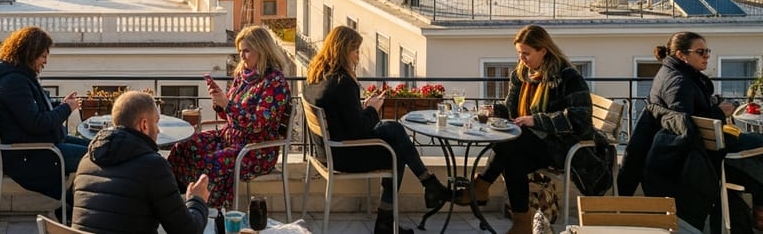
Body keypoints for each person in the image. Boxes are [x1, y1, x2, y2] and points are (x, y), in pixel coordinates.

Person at [302, 26, 450, 234]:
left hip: (325, 152)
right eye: (356, 51)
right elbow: (358, 130)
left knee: (392, 129)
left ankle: (426, 187)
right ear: (344, 50)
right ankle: (394, 215)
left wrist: (362, 109)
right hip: (344, 154)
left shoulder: (314, 77)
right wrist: (373, 109)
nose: (358, 56)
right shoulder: (343, 82)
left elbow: (342, 118)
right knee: (395, 149)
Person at [620, 32, 763, 232]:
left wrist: (713, 104)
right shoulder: (679, 82)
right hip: (698, 159)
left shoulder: (671, 73)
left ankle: (758, 212)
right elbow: (684, 124)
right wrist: (718, 111)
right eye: (700, 52)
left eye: (707, 51)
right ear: (681, 55)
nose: (706, 56)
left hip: (702, 154)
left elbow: (688, 114)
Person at [463, 25, 593, 234]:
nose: (522, 58)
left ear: (543, 50)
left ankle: (480, 186)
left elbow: (580, 118)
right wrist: (495, 109)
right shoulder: (522, 74)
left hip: (562, 145)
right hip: (533, 142)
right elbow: (511, 108)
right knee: (514, 162)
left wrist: (537, 120)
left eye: (526, 53)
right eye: (519, 53)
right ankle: (522, 225)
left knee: (511, 140)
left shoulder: (567, 77)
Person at [168, 25, 291, 210]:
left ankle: (208, 213)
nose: (241, 56)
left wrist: (227, 104)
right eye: (240, 51)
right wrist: (219, 102)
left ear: (262, 50)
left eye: (247, 51)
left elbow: (257, 124)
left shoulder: (274, 83)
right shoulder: (242, 76)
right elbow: (230, 116)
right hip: (229, 138)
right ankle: (172, 200)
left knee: (209, 164)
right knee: (183, 147)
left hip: (256, 149)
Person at [72, 90, 210, 234]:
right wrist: (197, 200)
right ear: (144, 125)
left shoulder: (87, 160)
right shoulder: (154, 167)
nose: (158, 131)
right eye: (156, 123)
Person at [0, 26, 89, 200]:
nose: (45, 61)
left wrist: (61, 105)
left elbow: (33, 112)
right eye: (43, 56)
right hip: (31, 156)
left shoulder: (17, 78)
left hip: (39, 148)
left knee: (96, 150)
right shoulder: (14, 83)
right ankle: (73, 204)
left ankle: (72, 204)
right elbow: (36, 123)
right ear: (29, 54)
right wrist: (66, 108)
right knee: (96, 159)